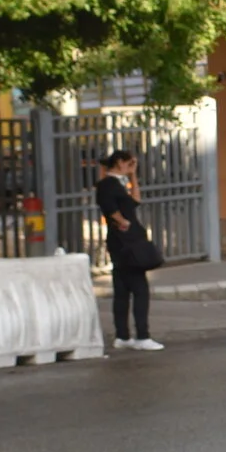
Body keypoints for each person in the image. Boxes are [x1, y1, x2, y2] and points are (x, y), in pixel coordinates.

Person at [97, 148, 162, 352]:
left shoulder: (117, 183)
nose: (131, 167)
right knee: (140, 289)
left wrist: (134, 175)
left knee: (122, 289)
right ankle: (142, 335)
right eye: (129, 163)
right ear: (119, 162)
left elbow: (135, 201)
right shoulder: (108, 184)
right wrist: (122, 221)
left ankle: (123, 336)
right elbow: (108, 206)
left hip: (122, 241)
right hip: (125, 242)